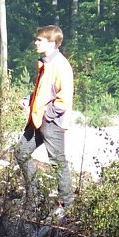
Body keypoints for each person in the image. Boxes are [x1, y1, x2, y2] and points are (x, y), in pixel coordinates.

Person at [15, 25, 74, 219]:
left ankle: (65, 204)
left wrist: (47, 115)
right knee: (21, 152)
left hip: (51, 122)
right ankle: (34, 198)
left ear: (52, 42)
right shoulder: (46, 63)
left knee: (58, 162)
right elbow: (43, 92)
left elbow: (63, 99)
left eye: (39, 40)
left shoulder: (61, 65)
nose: (35, 42)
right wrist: (29, 100)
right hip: (38, 119)